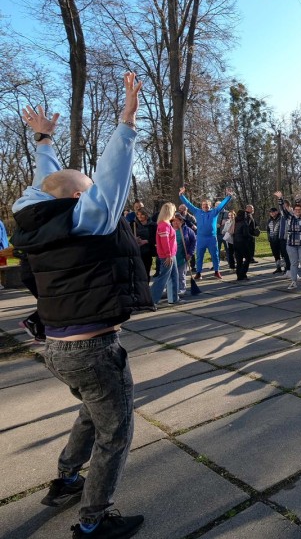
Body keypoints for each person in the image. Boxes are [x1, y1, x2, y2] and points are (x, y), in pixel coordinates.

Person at [11, 73, 150, 538]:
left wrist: (44, 141)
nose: (92, 195)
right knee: (116, 432)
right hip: (94, 350)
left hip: (57, 348)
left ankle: (68, 478)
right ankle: (93, 522)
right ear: (77, 198)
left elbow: (45, 184)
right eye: (85, 191)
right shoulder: (84, 219)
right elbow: (108, 184)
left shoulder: (36, 221)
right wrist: (126, 123)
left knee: (92, 411)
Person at [179, 186, 233, 279]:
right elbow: (188, 204)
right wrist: (181, 195)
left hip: (212, 238)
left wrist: (229, 196)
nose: (205, 206)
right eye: (204, 205)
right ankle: (199, 273)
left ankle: (216, 271)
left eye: (207, 205)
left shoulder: (214, 212)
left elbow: (222, 205)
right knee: (199, 256)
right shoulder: (197, 212)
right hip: (200, 238)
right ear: (201, 206)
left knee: (215, 256)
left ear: (210, 205)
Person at [275, 191, 301, 290]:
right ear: (293, 210)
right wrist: (280, 198)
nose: (297, 211)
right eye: (295, 209)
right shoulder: (289, 217)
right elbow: (282, 210)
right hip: (291, 245)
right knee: (293, 264)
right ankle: (293, 281)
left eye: (299, 209)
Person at [150, 202, 179, 305]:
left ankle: (174, 299)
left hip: (171, 255)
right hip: (167, 256)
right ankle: (151, 300)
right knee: (162, 278)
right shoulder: (164, 225)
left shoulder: (166, 224)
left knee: (174, 276)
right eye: (174, 211)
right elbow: (164, 242)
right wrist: (168, 255)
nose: (174, 213)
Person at [172, 213, 196, 296]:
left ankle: (182, 289)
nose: (175, 223)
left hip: (182, 255)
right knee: (172, 275)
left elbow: (194, 241)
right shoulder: (169, 230)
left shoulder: (187, 230)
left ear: (181, 221)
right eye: (173, 221)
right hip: (172, 255)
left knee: (181, 274)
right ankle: (172, 290)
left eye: (177, 221)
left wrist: (190, 253)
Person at [233, 210, 253, 280]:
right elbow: (245, 234)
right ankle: (243, 273)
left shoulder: (236, 222)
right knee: (248, 258)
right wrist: (252, 237)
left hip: (235, 242)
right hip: (242, 243)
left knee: (239, 260)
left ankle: (239, 275)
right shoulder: (244, 223)